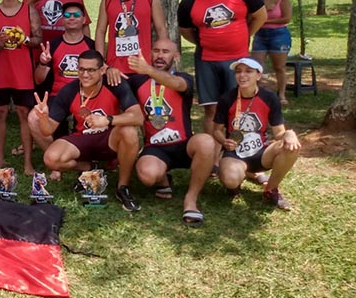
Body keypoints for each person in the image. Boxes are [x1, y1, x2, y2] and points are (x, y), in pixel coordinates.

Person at [113, 40, 216, 226]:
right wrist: (110, 70)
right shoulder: (138, 81)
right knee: (147, 175)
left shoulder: (184, 78)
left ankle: (191, 199)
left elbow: (177, 84)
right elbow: (116, 82)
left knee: (207, 142)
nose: (160, 55)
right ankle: (163, 179)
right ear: (150, 53)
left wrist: (148, 70)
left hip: (185, 144)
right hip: (155, 148)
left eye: (166, 52)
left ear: (176, 56)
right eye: (156, 51)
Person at [32, 50, 144, 211]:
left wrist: (108, 120)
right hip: (83, 138)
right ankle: (90, 169)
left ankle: (123, 187)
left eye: (91, 70)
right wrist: (43, 118)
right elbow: (47, 130)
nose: (85, 74)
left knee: (129, 131)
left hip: (110, 138)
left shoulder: (114, 83)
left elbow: (138, 117)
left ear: (102, 70)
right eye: (81, 69)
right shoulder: (69, 90)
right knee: (51, 158)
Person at [178, 0, 267, 136]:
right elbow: (186, 31)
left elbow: (261, 15)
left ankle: (236, 149)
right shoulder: (188, 2)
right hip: (207, 61)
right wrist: (206, 42)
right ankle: (212, 154)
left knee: (238, 106)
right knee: (211, 109)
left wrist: (245, 35)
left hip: (237, 59)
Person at [213, 57, 301, 211]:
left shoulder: (269, 98)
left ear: (258, 75)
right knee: (230, 180)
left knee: (291, 147)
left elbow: (279, 132)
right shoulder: (227, 98)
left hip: (261, 152)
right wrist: (224, 141)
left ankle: (271, 189)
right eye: (238, 71)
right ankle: (244, 174)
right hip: (235, 153)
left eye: (248, 71)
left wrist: (289, 134)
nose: (242, 75)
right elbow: (216, 130)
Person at [27, 0, 95, 180]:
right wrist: (43, 62)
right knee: (34, 117)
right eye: (67, 15)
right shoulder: (53, 45)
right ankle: (56, 160)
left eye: (76, 15)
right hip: (59, 97)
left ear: (83, 20)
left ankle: (93, 160)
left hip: (86, 97)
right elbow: (39, 79)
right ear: (62, 21)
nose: (71, 18)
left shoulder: (92, 45)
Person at [0, 0, 42, 176]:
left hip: (23, 72)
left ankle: (28, 163)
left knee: (24, 114)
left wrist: (24, 39)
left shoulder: (29, 11)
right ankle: (0, 159)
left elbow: (38, 39)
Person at [95, 0, 168, 74]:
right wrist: (100, 62)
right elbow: (100, 31)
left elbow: (161, 29)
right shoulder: (108, 0)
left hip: (143, 65)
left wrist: (163, 57)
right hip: (115, 68)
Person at [252, 0, 292, 105]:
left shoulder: (284, 1)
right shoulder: (261, 1)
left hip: (279, 35)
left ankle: (281, 95)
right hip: (261, 35)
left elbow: (286, 18)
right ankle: (257, 93)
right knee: (257, 66)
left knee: (279, 67)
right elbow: (252, 16)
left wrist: (265, 20)